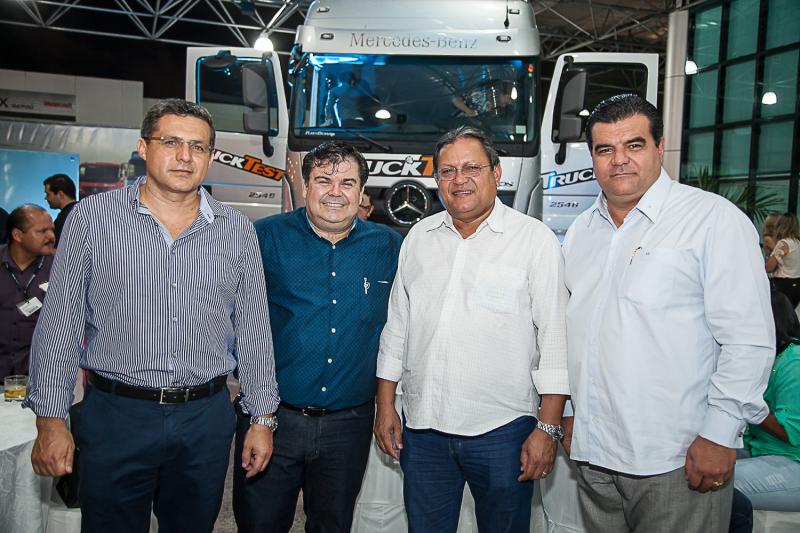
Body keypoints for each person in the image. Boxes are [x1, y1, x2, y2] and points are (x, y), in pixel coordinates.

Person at [25, 99, 279, 533]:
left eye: (198, 147)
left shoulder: (236, 230)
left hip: (204, 419)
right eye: (171, 142)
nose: (185, 156)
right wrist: (50, 419)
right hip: (116, 415)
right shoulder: (92, 219)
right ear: (144, 147)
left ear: (210, 157)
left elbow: (254, 331)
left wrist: (262, 418)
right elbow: (60, 325)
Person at [561, 94, 774, 532]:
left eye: (634, 145)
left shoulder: (712, 220)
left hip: (678, 459)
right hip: (594, 455)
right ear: (592, 158)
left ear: (660, 147)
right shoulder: (581, 232)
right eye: (605, 149)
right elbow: (577, 333)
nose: (619, 160)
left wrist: (720, 433)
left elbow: (748, 339)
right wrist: (568, 411)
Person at [375, 126, 569, 532]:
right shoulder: (419, 238)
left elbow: (554, 338)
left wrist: (548, 428)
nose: (459, 179)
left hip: (503, 432)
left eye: (471, 168)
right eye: (447, 171)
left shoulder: (533, 240)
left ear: (496, 173)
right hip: (424, 429)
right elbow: (397, 327)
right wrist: (386, 405)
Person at [234, 141, 402, 533]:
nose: (334, 192)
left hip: (349, 426)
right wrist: (259, 415)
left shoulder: (389, 248)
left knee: (333, 526)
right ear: (306, 186)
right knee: (259, 524)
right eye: (324, 180)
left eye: (347, 183)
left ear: (362, 192)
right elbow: (234, 319)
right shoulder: (264, 238)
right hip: (273, 418)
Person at [733, 289, 800, 512]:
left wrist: (748, 404)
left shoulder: (794, 361)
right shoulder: (771, 357)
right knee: (694, 465)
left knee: (714, 484)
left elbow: (792, 433)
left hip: (792, 460)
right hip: (761, 448)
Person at [0, 205, 55, 378]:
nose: (51, 236)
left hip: (39, 376)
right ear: (17, 235)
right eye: (42, 231)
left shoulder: (60, 267)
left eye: (52, 230)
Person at [764, 212, 800, 307]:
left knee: (778, 313)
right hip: (796, 284)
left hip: (783, 285)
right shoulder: (797, 243)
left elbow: (769, 267)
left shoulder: (783, 243)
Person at [43, 173, 78, 245]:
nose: (45, 198)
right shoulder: (83, 212)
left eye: (48, 194)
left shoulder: (65, 218)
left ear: (60, 194)